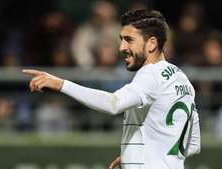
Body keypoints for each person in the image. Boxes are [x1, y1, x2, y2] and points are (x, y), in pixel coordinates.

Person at [23, 10, 201, 169]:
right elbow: (193, 144)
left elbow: (113, 104)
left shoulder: (151, 74)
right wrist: (139, 155)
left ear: (151, 43)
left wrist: (61, 84)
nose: (122, 47)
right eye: (121, 39)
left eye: (129, 40)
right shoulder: (181, 78)